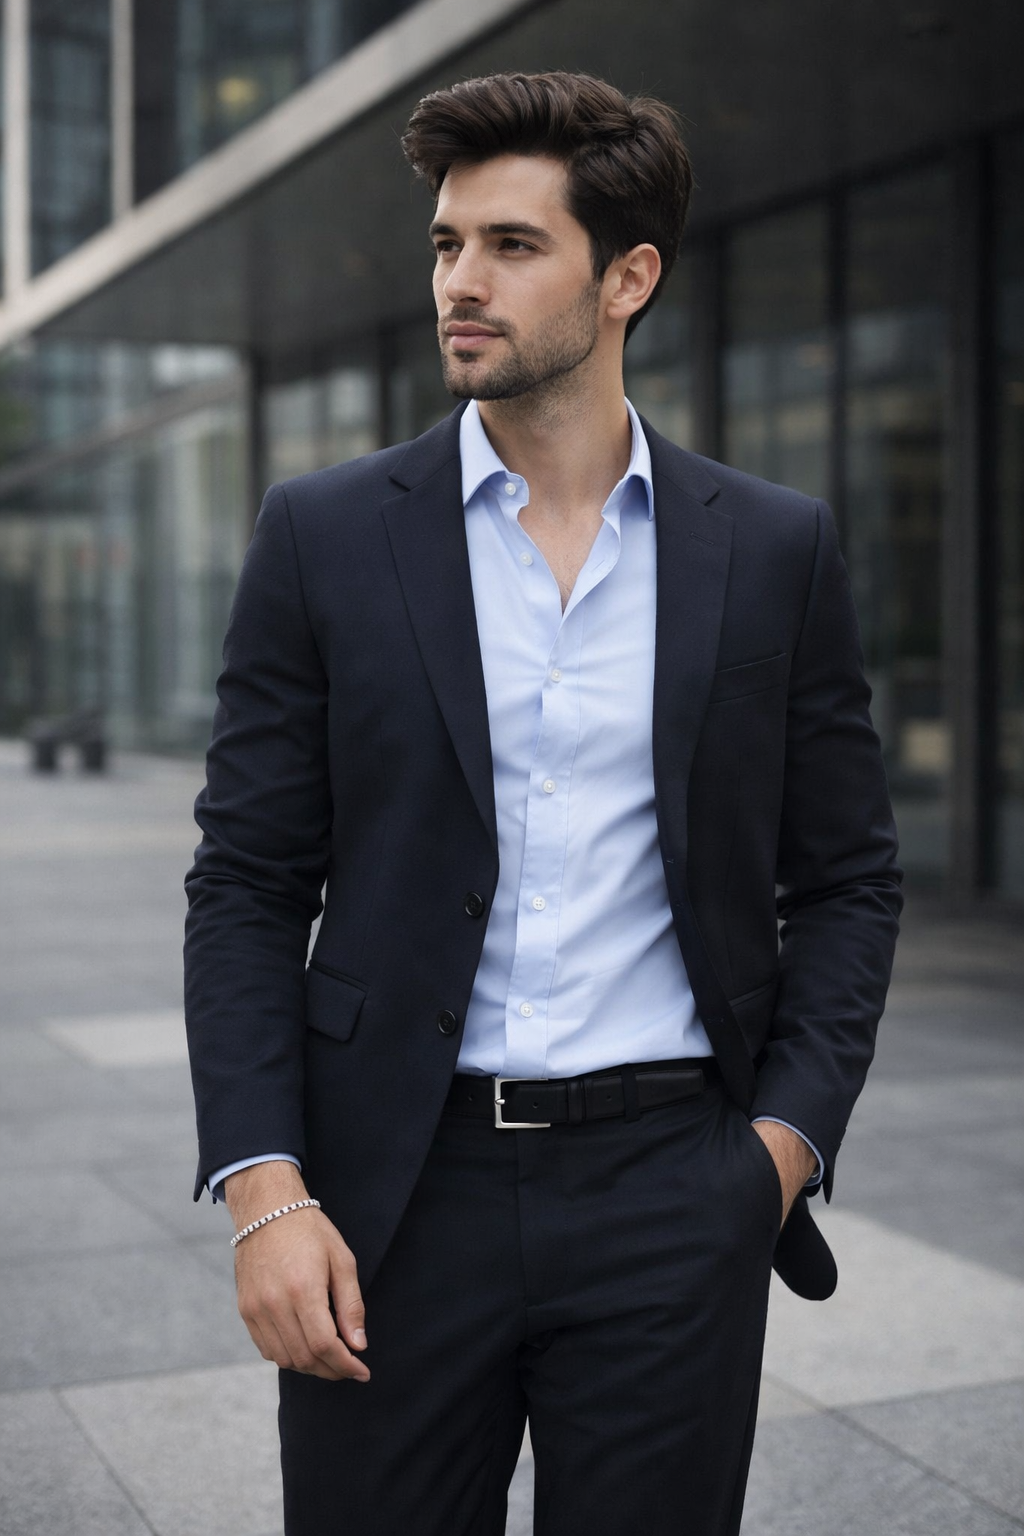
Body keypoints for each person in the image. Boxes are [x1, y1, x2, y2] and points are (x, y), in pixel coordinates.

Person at [184, 70, 901, 1536]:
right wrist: (265, 1187)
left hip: (672, 1191)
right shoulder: (324, 537)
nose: (462, 279)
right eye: (449, 243)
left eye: (513, 246)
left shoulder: (770, 549)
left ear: (627, 276)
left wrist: (774, 1156)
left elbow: (847, 879)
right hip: (391, 1195)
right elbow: (248, 882)